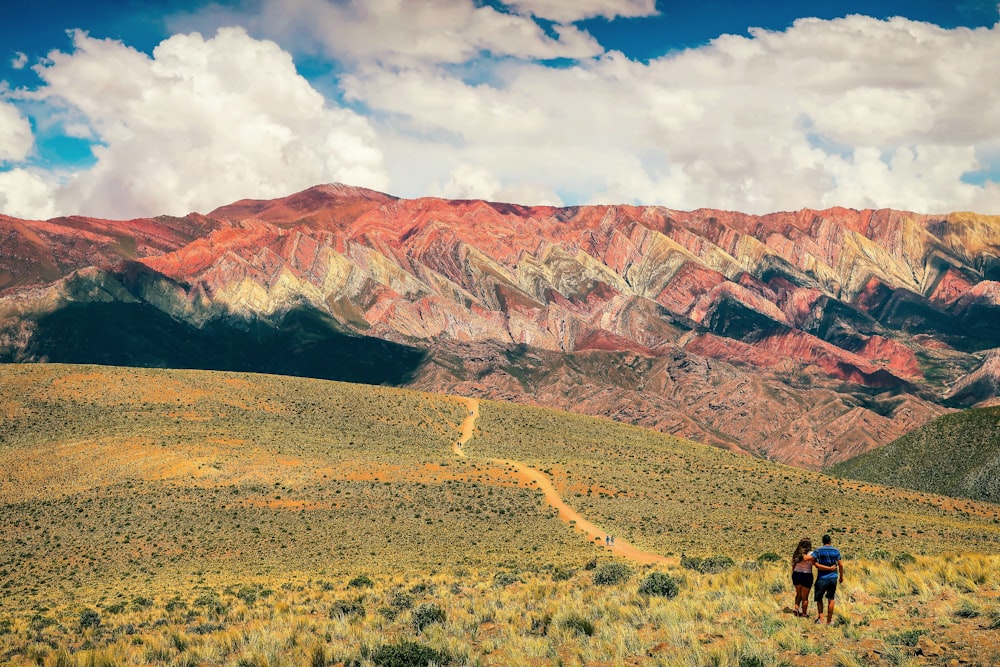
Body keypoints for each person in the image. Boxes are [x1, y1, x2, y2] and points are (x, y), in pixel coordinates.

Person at [812, 534, 844, 625]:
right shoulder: (836, 551)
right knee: (831, 598)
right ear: (830, 541)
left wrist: (825, 568)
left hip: (821, 578)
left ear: (823, 541)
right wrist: (841, 576)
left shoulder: (818, 551)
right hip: (833, 577)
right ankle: (829, 621)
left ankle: (821, 618)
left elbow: (815, 564)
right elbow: (841, 565)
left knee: (819, 598)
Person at [791, 538, 815, 617]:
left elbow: (793, 565)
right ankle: (804, 614)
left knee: (798, 595)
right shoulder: (811, 553)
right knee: (805, 597)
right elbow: (814, 563)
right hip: (806, 574)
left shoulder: (796, 553)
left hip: (796, 574)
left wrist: (794, 573)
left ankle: (796, 609)